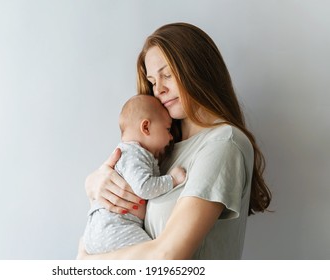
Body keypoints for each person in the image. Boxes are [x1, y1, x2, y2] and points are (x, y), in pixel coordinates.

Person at [78, 22, 271, 259]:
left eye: (167, 75)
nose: (158, 89)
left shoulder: (222, 144)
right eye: (152, 81)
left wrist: (86, 261)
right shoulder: (160, 149)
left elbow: (169, 256)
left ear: (198, 69)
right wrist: (94, 183)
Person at [83, 94, 186, 254]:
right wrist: (172, 180)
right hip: (115, 228)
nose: (171, 136)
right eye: (167, 129)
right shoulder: (134, 154)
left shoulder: (130, 154)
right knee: (153, 256)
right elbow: (144, 188)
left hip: (99, 230)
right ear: (146, 127)